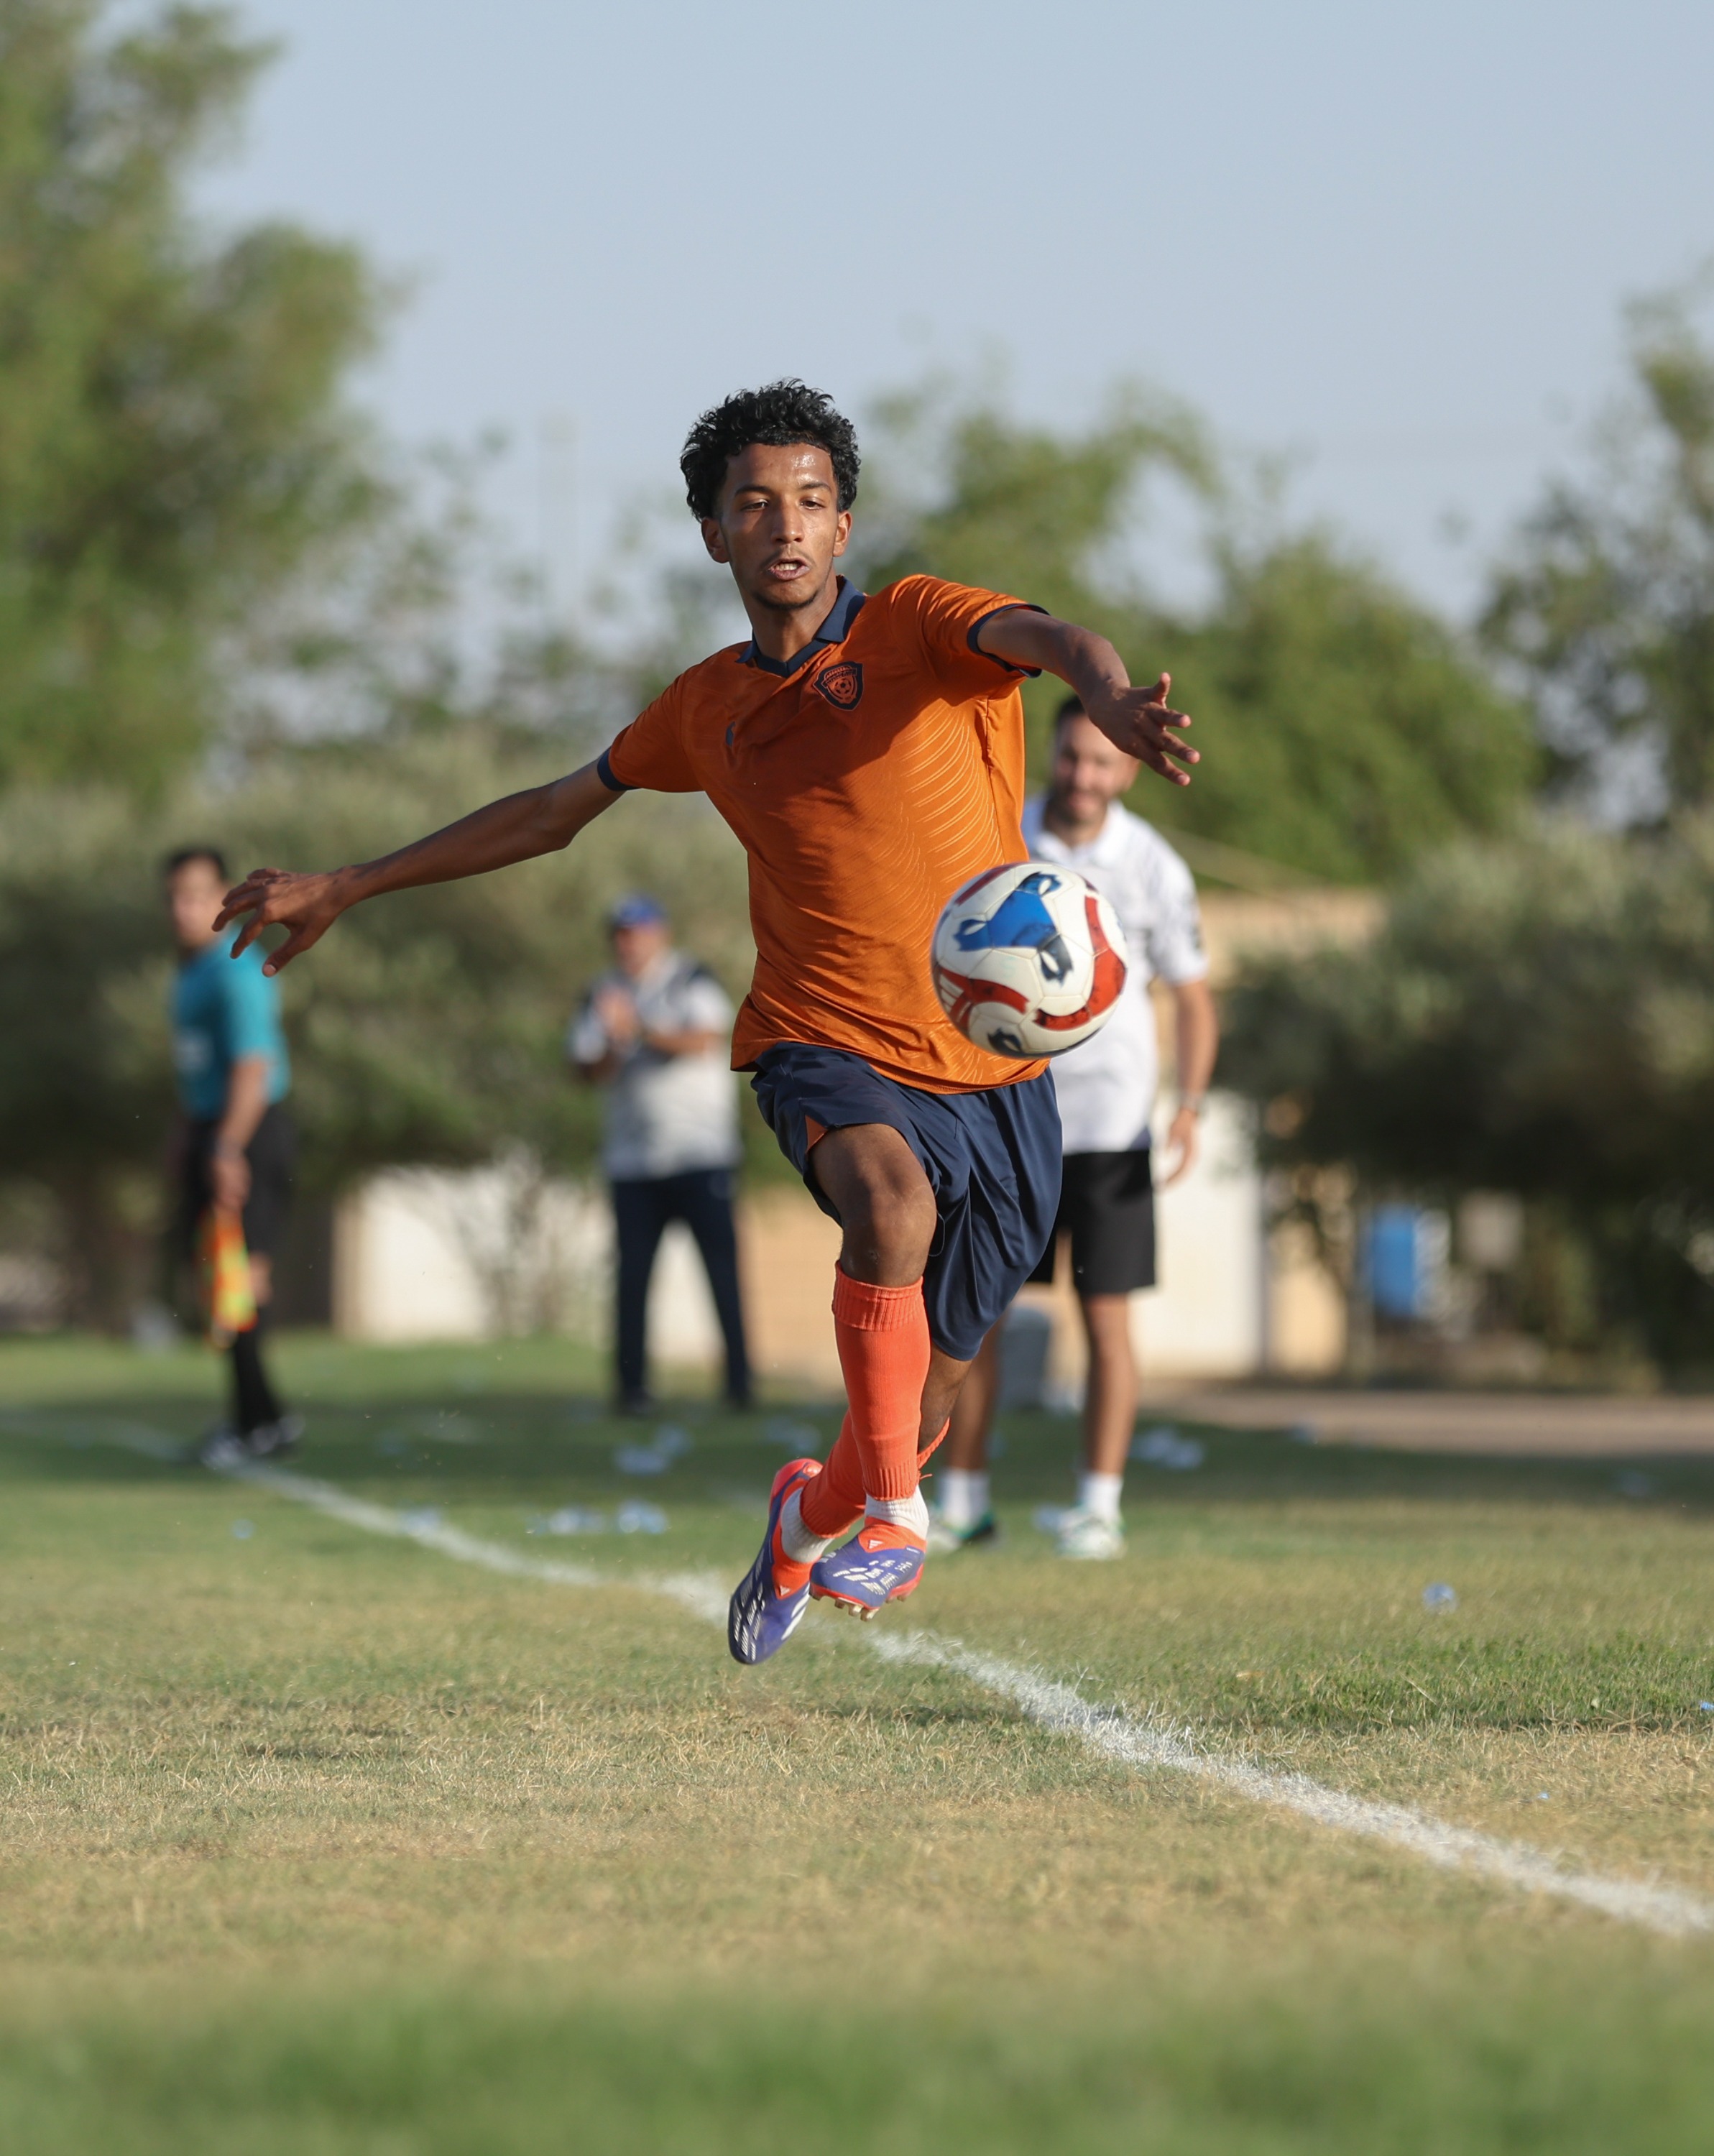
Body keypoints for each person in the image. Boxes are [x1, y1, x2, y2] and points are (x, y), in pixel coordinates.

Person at [213, 379, 1198, 1664]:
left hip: (998, 1079)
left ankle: (811, 1516)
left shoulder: (919, 626)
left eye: (811, 501)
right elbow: (551, 813)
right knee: (891, 1210)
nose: (786, 524)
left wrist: (1110, 697)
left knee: (927, 1396)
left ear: (845, 526)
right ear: (713, 533)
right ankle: (897, 1516)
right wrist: (352, 882)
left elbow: (1058, 640)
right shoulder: (704, 709)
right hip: (821, 1038)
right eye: (755, 503)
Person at [936, 700, 1219, 1560]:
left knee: (1106, 1324)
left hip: (1112, 1129)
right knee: (978, 1316)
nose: (1084, 776)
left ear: (1128, 769)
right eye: (1071, 757)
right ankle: (963, 1502)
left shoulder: (1154, 865)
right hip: (1008, 1120)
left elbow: (1193, 997)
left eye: (1101, 762)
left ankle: (1099, 1507)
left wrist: (1188, 1104)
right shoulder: (1002, 836)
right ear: (1050, 755)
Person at [569, 892, 752, 1413]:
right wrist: (613, 1044)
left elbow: (706, 1038)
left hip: (700, 1154)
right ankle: (631, 1390)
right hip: (633, 1161)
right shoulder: (601, 993)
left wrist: (640, 1030)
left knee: (721, 1273)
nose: (629, 944)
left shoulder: (690, 979)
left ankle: (739, 1386)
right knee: (632, 1279)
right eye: (621, 935)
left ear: (660, 935)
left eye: (638, 933)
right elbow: (584, 1070)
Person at [163, 845, 300, 1462]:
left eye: (195, 895)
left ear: (221, 897)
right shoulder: (190, 972)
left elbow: (252, 1066)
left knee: (240, 1279)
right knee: (220, 1281)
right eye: (174, 897)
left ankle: (261, 1424)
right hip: (211, 1130)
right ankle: (257, 1418)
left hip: (247, 1133)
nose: (183, 909)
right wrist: (185, 1134)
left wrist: (226, 1147)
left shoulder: (235, 968)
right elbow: (199, 1069)